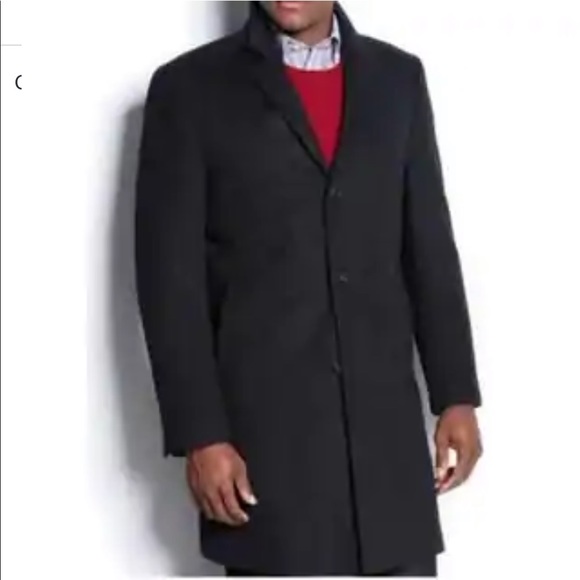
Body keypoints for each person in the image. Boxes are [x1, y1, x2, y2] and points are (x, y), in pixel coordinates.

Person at [134, 1, 483, 576]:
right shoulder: (190, 90)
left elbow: (428, 248)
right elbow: (169, 283)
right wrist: (201, 435)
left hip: (386, 447)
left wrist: (456, 394)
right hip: (267, 450)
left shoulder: (398, 80)